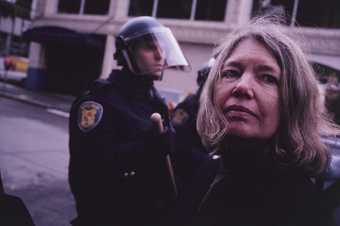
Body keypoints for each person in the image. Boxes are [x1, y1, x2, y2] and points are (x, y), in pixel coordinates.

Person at [165, 17, 340, 226]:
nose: (242, 86)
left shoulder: (301, 206)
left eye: (267, 78)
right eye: (231, 73)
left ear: (293, 101)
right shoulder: (210, 168)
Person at [68, 16, 190, 226]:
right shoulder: (98, 101)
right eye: (150, 48)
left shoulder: (155, 101)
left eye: (162, 48)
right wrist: (146, 148)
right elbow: (88, 169)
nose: (160, 55)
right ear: (128, 53)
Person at [171, 58, 215, 188]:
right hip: (186, 176)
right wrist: (208, 161)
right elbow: (176, 144)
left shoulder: (217, 109)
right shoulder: (188, 106)